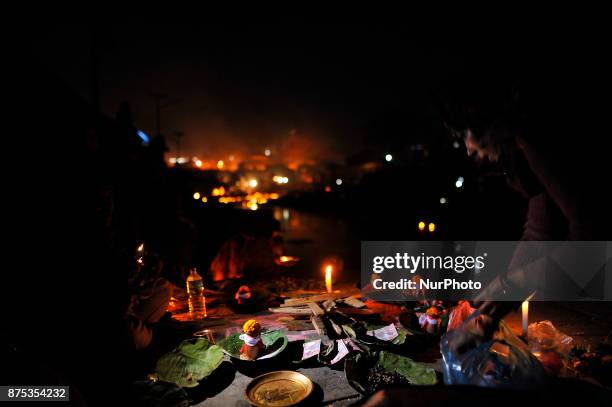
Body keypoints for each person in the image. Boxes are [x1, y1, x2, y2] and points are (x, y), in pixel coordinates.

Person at [439, 67, 608, 352]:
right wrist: (490, 313)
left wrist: (514, 282)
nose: (468, 149)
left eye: (464, 135)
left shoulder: (539, 135)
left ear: (485, 121)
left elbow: (594, 238)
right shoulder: (525, 148)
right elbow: (540, 231)